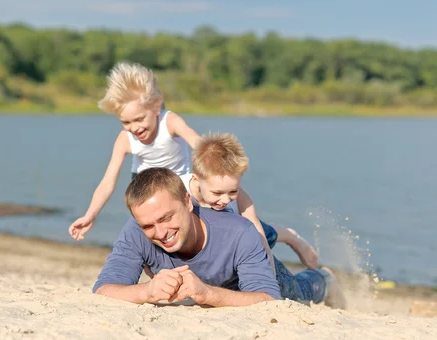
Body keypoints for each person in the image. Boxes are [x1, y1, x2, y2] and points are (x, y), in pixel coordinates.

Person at [93, 167, 346, 308]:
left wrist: (206, 294)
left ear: (187, 201)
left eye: (167, 218)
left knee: (300, 292)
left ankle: (326, 278)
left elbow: (268, 300)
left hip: (255, 275)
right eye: (148, 225)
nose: (160, 233)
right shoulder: (137, 230)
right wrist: (147, 291)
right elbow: (103, 290)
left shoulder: (238, 232)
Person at [68, 61, 201, 241]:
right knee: (143, 232)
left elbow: (199, 144)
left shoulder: (169, 122)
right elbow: (108, 182)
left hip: (180, 182)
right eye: (126, 122)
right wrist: (90, 215)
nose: (134, 128)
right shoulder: (125, 138)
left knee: (206, 188)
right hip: (145, 189)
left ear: (155, 107)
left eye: (139, 119)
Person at [182, 133, 319, 271]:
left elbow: (262, 244)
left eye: (233, 191)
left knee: (265, 233)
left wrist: (269, 273)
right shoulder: (178, 190)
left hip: (242, 226)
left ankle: (291, 236)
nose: (225, 200)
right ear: (196, 180)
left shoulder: (241, 199)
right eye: (217, 193)